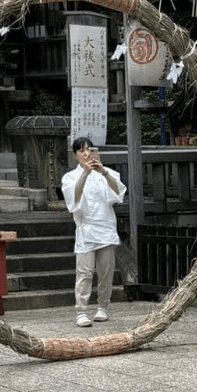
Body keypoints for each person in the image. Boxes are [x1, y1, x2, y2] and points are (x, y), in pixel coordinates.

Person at [61, 137, 127, 328]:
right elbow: (73, 199)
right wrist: (86, 173)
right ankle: (81, 310)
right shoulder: (70, 177)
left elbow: (119, 193)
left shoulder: (107, 173)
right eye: (81, 151)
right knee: (85, 272)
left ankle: (103, 306)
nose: (86, 154)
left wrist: (103, 172)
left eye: (89, 150)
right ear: (75, 155)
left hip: (106, 228)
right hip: (86, 229)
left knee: (106, 272)